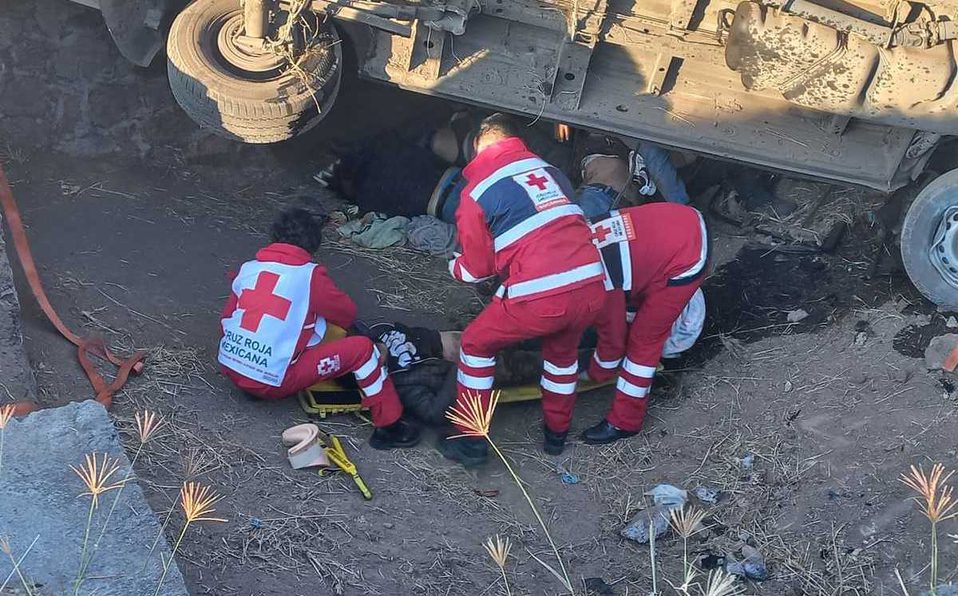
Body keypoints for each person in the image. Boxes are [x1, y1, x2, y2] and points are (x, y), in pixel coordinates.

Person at [444, 113, 607, 466]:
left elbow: (477, 269)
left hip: (541, 295)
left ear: (477, 146)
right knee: (562, 356)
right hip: (592, 285)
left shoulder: (477, 191)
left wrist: (454, 266)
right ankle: (555, 437)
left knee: (475, 345)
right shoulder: (552, 173)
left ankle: (470, 440)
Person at [217, 208, 420, 450]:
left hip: (231, 365)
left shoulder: (248, 269)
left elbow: (227, 317)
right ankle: (390, 425)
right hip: (272, 382)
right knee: (364, 350)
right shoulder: (308, 276)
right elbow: (346, 313)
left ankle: (254, 383)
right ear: (314, 243)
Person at [581, 203, 709, 444]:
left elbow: (613, 345)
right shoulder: (574, 239)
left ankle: (624, 422)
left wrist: (593, 372)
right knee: (632, 302)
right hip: (679, 220)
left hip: (687, 257)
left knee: (643, 341)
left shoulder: (598, 282)